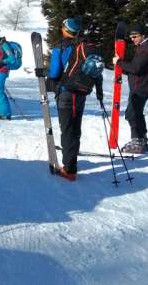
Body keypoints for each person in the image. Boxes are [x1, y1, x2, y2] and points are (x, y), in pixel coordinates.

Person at [34, 16, 103, 181]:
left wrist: (42, 72)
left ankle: (70, 170)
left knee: (67, 130)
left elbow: (54, 73)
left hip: (66, 93)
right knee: (75, 127)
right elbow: (97, 71)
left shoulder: (60, 48)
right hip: (81, 92)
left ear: (64, 29)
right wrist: (99, 91)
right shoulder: (86, 46)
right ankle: (72, 160)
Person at [113, 24, 148, 154]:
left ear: (143, 35)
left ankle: (137, 143)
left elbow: (135, 68)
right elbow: (137, 68)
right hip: (142, 85)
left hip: (142, 87)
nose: (132, 39)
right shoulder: (144, 48)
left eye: (134, 36)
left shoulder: (146, 49)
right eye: (131, 36)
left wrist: (119, 62)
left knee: (131, 114)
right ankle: (142, 140)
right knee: (137, 113)